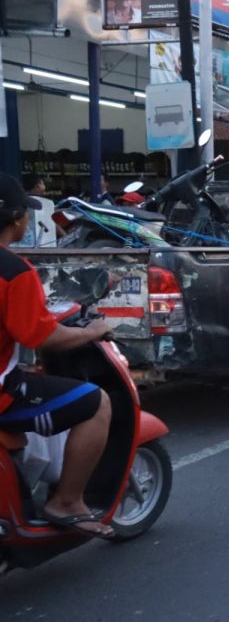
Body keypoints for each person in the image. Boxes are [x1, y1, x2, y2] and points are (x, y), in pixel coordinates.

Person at [0, 173, 115, 537]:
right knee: (97, 403)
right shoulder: (15, 272)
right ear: (18, 219)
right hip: (3, 393)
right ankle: (66, 501)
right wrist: (90, 331)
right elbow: (42, 335)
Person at [20, 173, 57, 246]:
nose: (44, 187)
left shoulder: (19, 200)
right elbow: (52, 223)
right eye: (43, 183)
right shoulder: (46, 203)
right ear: (38, 185)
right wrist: (65, 235)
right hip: (44, 245)